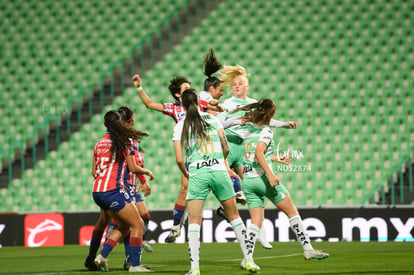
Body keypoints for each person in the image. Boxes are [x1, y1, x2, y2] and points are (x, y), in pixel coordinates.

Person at [233, 99, 329, 270]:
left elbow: (255, 153)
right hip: (262, 180)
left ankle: (247, 259)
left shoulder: (249, 128)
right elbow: (259, 153)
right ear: (270, 114)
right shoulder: (267, 132)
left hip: (248, 181)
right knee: (291, 211)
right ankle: (308, 249)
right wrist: (270, 174)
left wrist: (277, 158)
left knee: (256, 221)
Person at [173, 89, 260, 274]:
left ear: (182, 104)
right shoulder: (213, 119)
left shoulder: (181, 125)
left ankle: (194, 268)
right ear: (198, 101)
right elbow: (225, 146)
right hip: (219, 170)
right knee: (235, 216)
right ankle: (250, 260)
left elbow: (180, 160)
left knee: (195, 221)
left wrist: (186, 173)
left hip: (197, 173)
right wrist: (221, 160)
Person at [132, 71, 224, 243]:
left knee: (215, 180)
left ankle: (227, 208)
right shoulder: (174, 108)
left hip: (209, 149)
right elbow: (149, 104)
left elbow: (218, 108)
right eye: (186, 88)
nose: (191, 90)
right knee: (184, 188)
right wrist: (139, 88)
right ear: (177, 94)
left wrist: (216, 105)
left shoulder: (199, 103)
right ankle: (176, 227)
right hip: (192, 153)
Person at [216, 64, 297, 249]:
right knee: (230, 184)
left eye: (240, 83)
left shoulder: (253, 104)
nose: (236, 86)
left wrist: (285, 124)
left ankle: (262, 234)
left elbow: (265, 121)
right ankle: (222, 208)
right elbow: (219, 122)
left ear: (247, 86)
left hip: (244, 149)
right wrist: (234, 120)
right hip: (228, 144)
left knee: (254, 191)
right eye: (234, 84)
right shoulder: (227, 104)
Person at [92, 110, 154, 272]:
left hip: (98, 191)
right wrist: (146, 172)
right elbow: (133, 167)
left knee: (124, 225)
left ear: (105, 125)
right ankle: (134, 265)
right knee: (138, 224)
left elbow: (94, 172)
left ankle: (102, 256)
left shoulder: (99, 143)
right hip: (114, 189)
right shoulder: (124, 141)